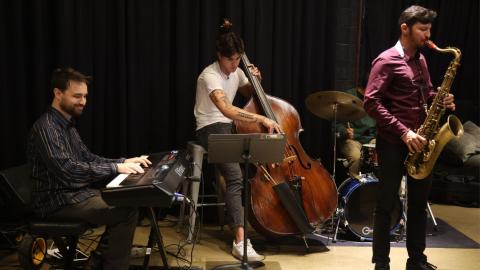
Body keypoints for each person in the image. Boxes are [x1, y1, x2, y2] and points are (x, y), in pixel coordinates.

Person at [27, 67, 151, 270]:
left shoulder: (66, 125)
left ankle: (98, 263)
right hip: (56, 202)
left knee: (126, 201)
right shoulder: (46, 128)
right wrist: (116, 167)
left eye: (85, 96)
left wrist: (125, 161)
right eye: (77, 96)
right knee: (125, 210)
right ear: (58, 94)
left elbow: (87, 157)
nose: (83, 101)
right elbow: (67, 170)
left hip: (74, 195)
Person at [364, 5, 455, 270]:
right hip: (394, 142)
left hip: (421, 142)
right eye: (423, 29)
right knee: (386, 204)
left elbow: (425, 96)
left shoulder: (421, 60)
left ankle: (417, 260)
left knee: (418, 204)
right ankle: (381, 263)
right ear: (405, 28)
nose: (428, 35)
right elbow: (371, 102)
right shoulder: (386, 60)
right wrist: (404, 132)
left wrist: (441, 98)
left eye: (429, 29)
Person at [194, 20, 281, 261]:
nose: (234, 65)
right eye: (230, 60)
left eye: (238, 59)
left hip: (231, 128)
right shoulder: (209, 76)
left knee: (259, 162)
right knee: (234, 177)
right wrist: (260, 118)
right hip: (210, 129)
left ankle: (269, 221)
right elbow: (226, 110)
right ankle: (241, 241)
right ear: (219, 56)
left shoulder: (239, 72)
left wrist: (256, 82)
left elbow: (251, 96)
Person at [336, 83, 376, 180]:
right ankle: (356, 186)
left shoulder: (375, 98)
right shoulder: (348, 97)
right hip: (351, 139)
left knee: (386, 151)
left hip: (370, 139)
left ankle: (381, 185)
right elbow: (336, 123)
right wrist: (345, 131)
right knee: (356, 156)